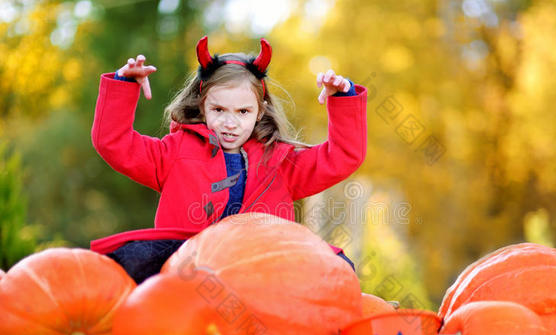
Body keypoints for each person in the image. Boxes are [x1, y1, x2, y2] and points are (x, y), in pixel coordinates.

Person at [90, 36, 367, 284]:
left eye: (243, 111)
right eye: (219, 109)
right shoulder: (174, 152)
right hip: (188, 263)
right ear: (202, 106)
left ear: (260, 111)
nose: (230, 123)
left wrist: (343, 99)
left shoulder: (281, 161)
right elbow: (114, 143)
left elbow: (342, 156)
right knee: (132, 258)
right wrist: (124, 84)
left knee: (338, 268)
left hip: (264, 266)